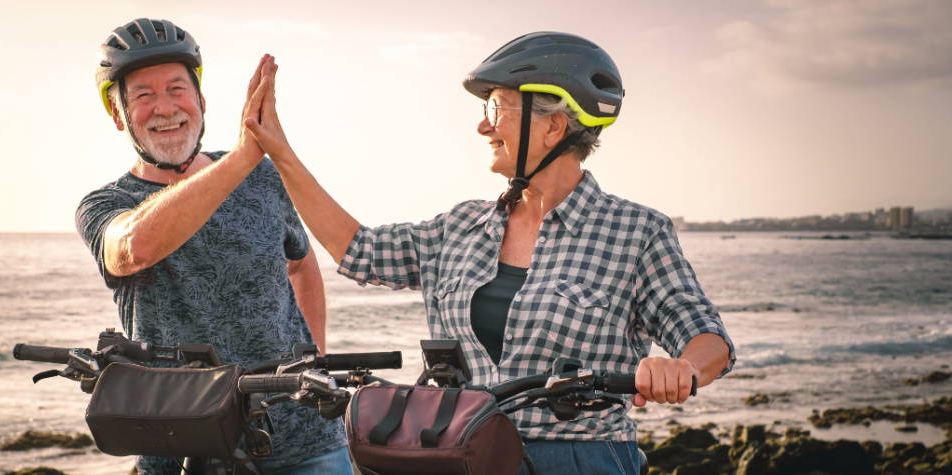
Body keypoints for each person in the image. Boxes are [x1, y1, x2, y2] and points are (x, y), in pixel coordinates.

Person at [243, 32, 736, 474]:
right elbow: (359, 251)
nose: (483, 127)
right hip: (460, 454)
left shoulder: (636, 231)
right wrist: (280, 152)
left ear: (554, 127)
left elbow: (707, 337)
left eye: (497, 109)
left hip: (578, 459)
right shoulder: (460, 226)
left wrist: (682, 368)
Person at [74, 18, 351, 475]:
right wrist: (244, 156)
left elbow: (300, 265)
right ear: (119, 113)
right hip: (175, 442)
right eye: (143, 95)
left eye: (177, 89)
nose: (165, 108)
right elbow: (132, 249)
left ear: (201, 100)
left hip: (303, 438)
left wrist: (312, 361)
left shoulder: (262, 177)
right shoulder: (107, 204)